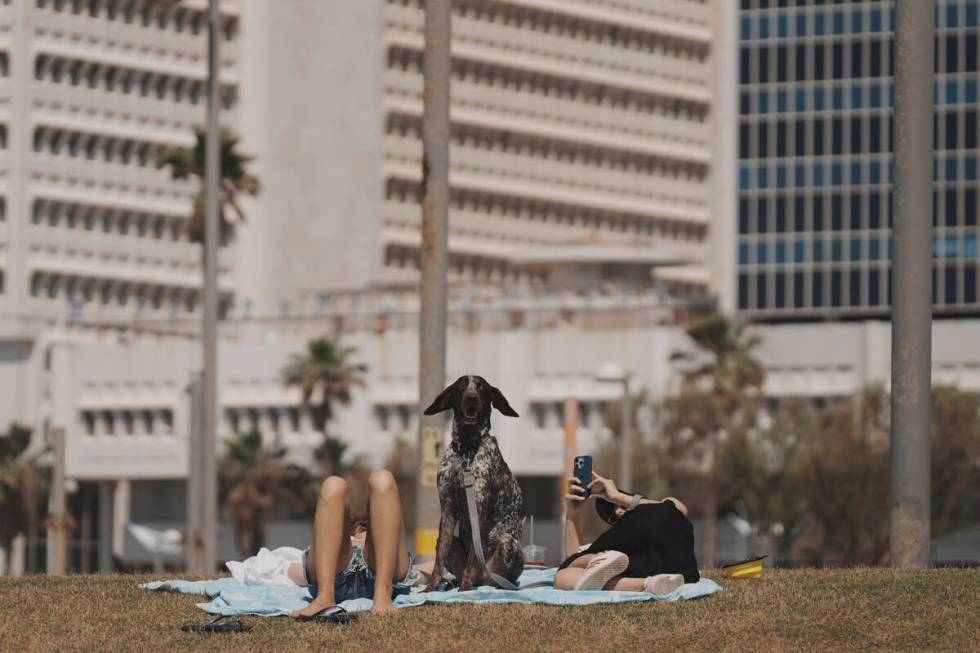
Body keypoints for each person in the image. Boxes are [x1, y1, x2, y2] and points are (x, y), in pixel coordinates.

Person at [287, 469, 419, 617]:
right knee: (333, 484)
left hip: (384, 570)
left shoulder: (380, 536)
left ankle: (383, 590)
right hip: (334, 572)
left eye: (364, 525)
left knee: (382, 478)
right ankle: (325, 596)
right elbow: (292, 571)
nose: (361, 527)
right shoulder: (335, 537)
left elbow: (424, 571)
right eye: (357, 525)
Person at [554, 470, 700, 595]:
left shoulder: (654, 512)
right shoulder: (619, 543)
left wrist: (619, 497)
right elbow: (573, 557)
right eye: (613, 515)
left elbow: (679, 509)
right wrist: (572, 513)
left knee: (564, 574)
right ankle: (650, 584)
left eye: (623, 507)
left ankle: (598, 559)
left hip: (662, 547)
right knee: (566, 575)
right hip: (675, 571)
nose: (618, 510)